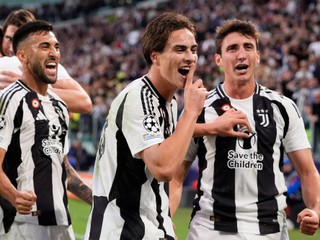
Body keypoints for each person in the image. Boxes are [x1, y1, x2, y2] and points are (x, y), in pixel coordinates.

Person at [170, 19, 320, 240]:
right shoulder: (199, 108)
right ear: (218, 59)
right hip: (211, 229)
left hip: (269, 230)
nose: (241, 54)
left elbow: (308, 172)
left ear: (257, 56)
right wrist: (166, 219)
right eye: (232, 48)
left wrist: (315, 209)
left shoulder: (283, 107)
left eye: (248, 47)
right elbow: (175, 176)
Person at [83, 12, 209, 240]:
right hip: (122, 231)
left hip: (152, 228)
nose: (190, 57)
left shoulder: (169, 102)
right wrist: (191, 113)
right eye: (180, 49)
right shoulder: (138, 97)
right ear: (156, 57)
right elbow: (163, 168)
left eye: (193, 49)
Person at [0, 20, 92, 240]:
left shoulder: (60, 106)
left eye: (56, 47)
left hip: (61, 221)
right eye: (44, 46)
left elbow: (62, 167)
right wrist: (14, 196)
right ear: (23, 56)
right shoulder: (10, 99)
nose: (54, 53)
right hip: (22, 222)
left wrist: (98, 202)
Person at [0, 9, 92, 114]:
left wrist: (32, 88)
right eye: (9, 39)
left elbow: (84, 103)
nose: (13, 48)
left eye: (20, 43)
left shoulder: (43, 64)